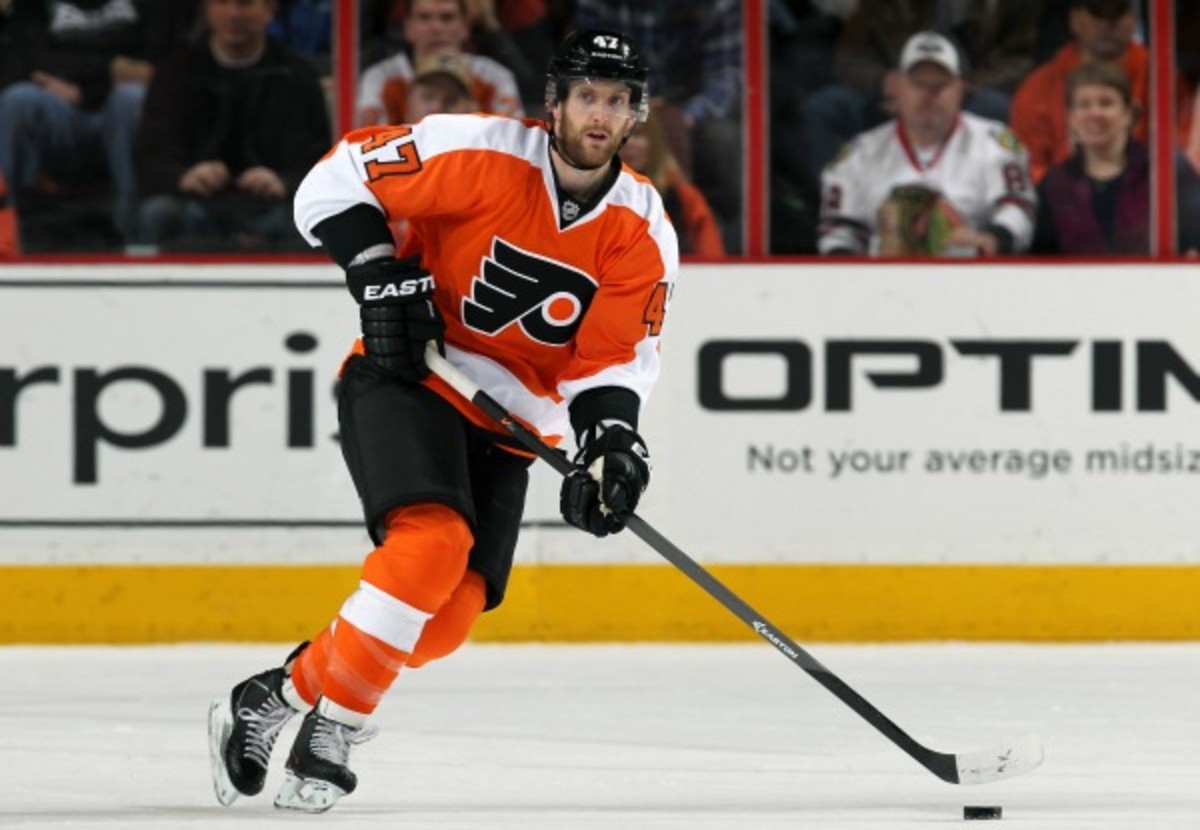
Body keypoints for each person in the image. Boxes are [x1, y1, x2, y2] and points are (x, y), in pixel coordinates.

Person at [207, 28, 678, 813]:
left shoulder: (640, 226)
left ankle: (276, 696)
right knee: (432, 543)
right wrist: (376, 274)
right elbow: (334, 181)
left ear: (636, 116)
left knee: (447, 619)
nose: (600, 114)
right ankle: (337, 728)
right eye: (587, 96)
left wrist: (613, 444)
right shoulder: (480, 150)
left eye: (618, 100)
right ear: (555, 103)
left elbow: (614, 360)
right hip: (412, 376)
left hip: (509, 425)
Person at [134, 0, 330, 252]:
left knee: (308, 223)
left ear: (269, 11)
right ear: (206, 10)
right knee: (157, 214)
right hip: (196, 206)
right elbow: (152, 153)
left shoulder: (295, 74)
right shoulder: (176, 72)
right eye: (222, 3)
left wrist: (284, 182)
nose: (233, 14)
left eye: (245, 4)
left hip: (272, 209)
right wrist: (183, 176)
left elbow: (320, 159)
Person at [818, 31, 1036, 257]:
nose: (929, 95)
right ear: (897, 87)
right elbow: (838, 231)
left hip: (968, 279)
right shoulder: (860, 154)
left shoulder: (994, 144)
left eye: (941, 85)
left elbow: (1018, 209)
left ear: (962, 88)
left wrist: (990, 239)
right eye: (919, 83)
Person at [0, 0, 179, 244]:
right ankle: (7, 230)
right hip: (61, 110)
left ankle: (134, 229)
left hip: (123, 111)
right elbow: (31, 59)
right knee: (18, 99)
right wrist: (108, 70)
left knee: (130, 98)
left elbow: (155, 62)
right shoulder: (33, 6)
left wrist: (88, 89)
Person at [803, 0, 1041, 180]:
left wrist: (957, 88)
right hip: (891, 95)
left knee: (997, 108)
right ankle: (843, 215)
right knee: (826, 108)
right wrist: (885, 81)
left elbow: (1022, 59)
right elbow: (848, 56)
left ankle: (976, 216)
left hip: (968, 93)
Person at [574, 0, 743, 251]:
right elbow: (584, 67)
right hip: (616, 102)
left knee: (721, 139)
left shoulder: (685, 200)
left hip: (688, 107)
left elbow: (728, 76)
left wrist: (685, 116)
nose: (630, 145)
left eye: (638, 136)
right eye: (628, 137)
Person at [1010, 0, 1149, 183]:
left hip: (1143, 197)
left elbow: (1181, 154)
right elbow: (1028, 167)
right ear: (1075, 19)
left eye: (1118, 12)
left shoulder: (1161, 77)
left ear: (1133, 19)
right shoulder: (1039, 88)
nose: (1108, 23)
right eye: (1097, 12)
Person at [1033, 62, 1147, 254]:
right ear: (1070, 117)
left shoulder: (1162, 172)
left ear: (1128, 113)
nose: (1094, 114)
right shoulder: (1054, 184)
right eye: (1083, 105)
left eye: (1106, 103)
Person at [356, 0, 523, 125]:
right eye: (424, 17)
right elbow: (366, 144)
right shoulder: (380, 78)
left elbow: (511, 141)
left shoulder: (494, 77)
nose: (436, 27)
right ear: (408, 26)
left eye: (447, 18)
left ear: (465, 26)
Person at [619, 111, 725, 257]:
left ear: (655, 143)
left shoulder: (680, 194)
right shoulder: (588, 192)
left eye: (638, 135)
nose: (629, 144)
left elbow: (711, 257)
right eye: (622, 137)